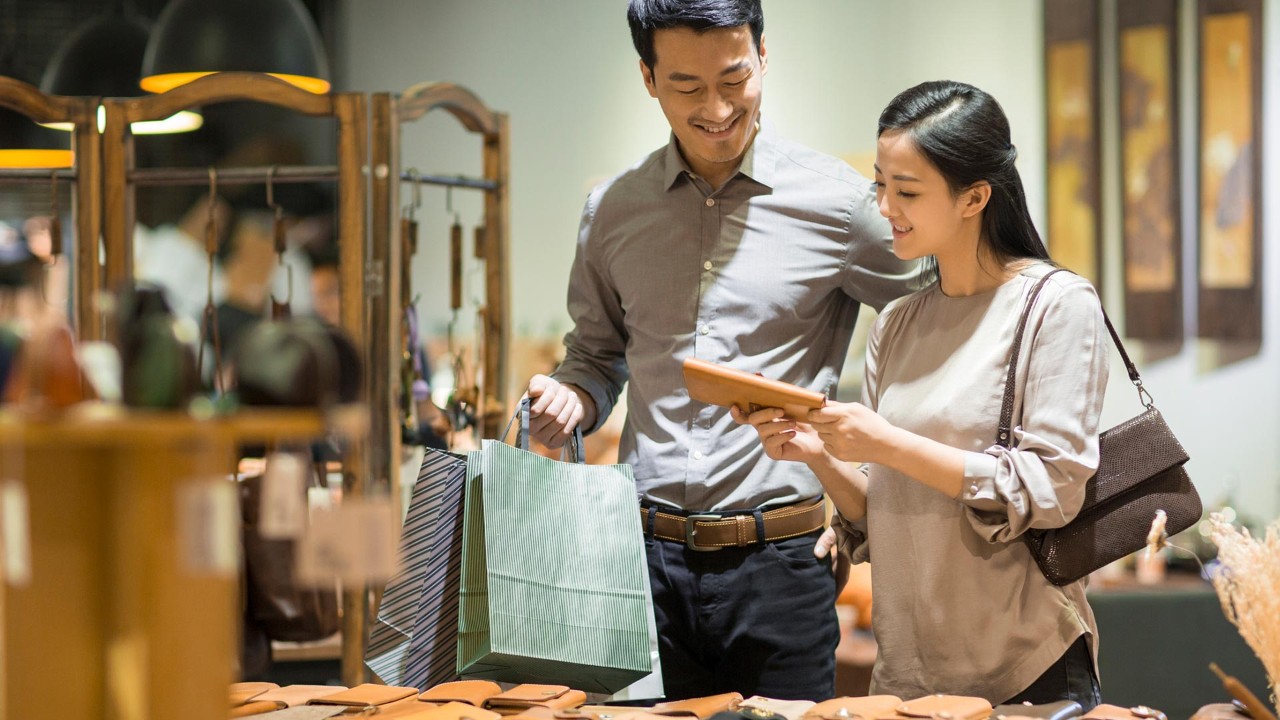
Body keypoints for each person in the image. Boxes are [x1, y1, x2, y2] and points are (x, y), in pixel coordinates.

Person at [525, 0, 916, 701]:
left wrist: (865, 470)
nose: (716, 108)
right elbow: (594, 354)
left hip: (783, 564)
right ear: (648, 77)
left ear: (763, 56)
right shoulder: (611, 210)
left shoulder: (841, 206)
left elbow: (937, 326)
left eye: (734, 79)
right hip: (639, 563)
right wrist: (571, 397)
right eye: (687, 87)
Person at [736, 80, 1107, 709]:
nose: (885, 206)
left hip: (1023, 672)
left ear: (975, 197)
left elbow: (1052, 489)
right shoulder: (898, 323)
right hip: (908, 679)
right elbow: (885, 516)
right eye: (880, 184)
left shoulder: (1056, 306)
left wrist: (886, 442)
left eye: (906, 191)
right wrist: (820, 455)